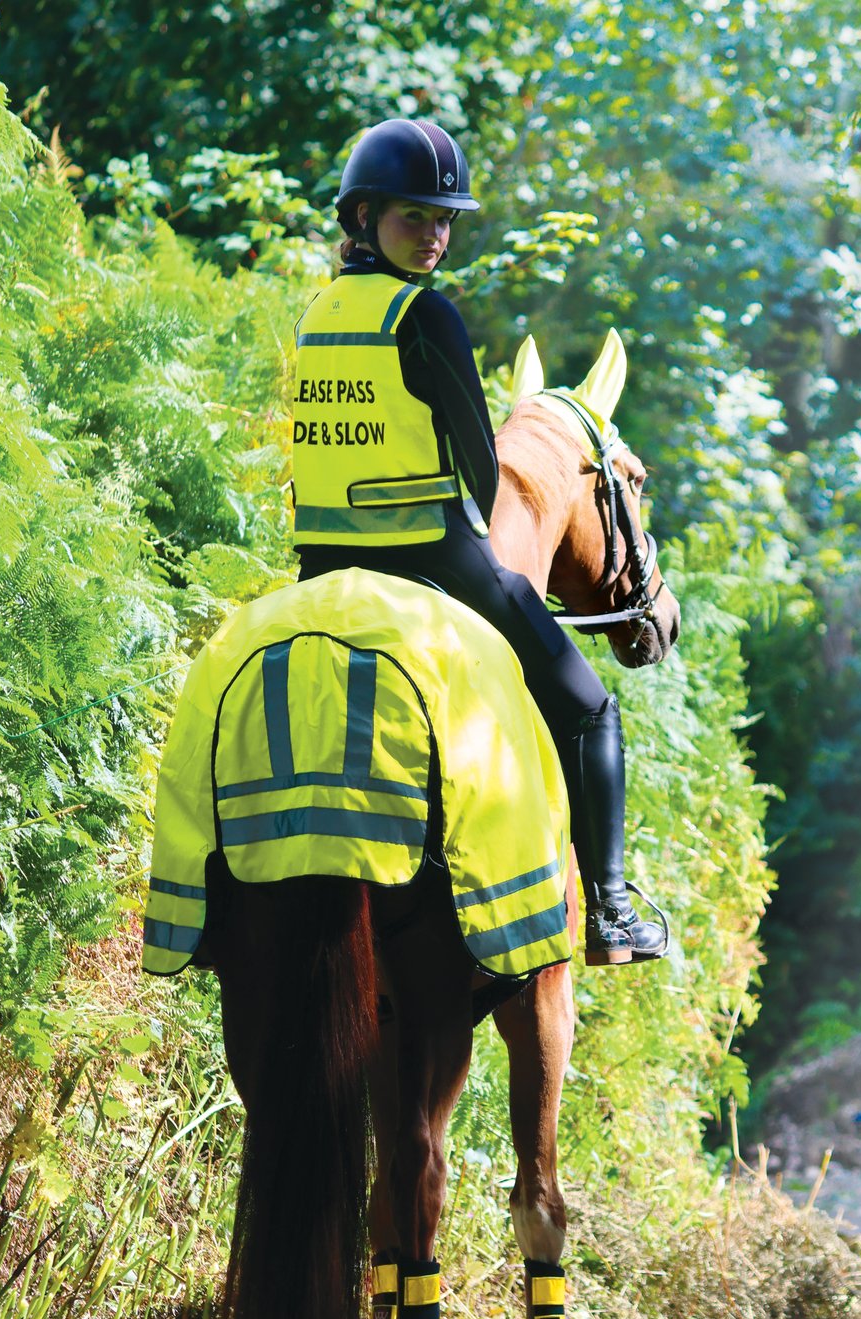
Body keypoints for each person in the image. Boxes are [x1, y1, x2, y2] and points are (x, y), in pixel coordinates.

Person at [291, 117, 665, 965]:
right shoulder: (425, 314)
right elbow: (481, 470)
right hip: (435, 556)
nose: (434, 235)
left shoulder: (317, 315)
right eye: (415, 217)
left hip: (318, 565)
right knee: (590, 709)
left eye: (443, 220)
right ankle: (611, 912)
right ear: (364, 216)